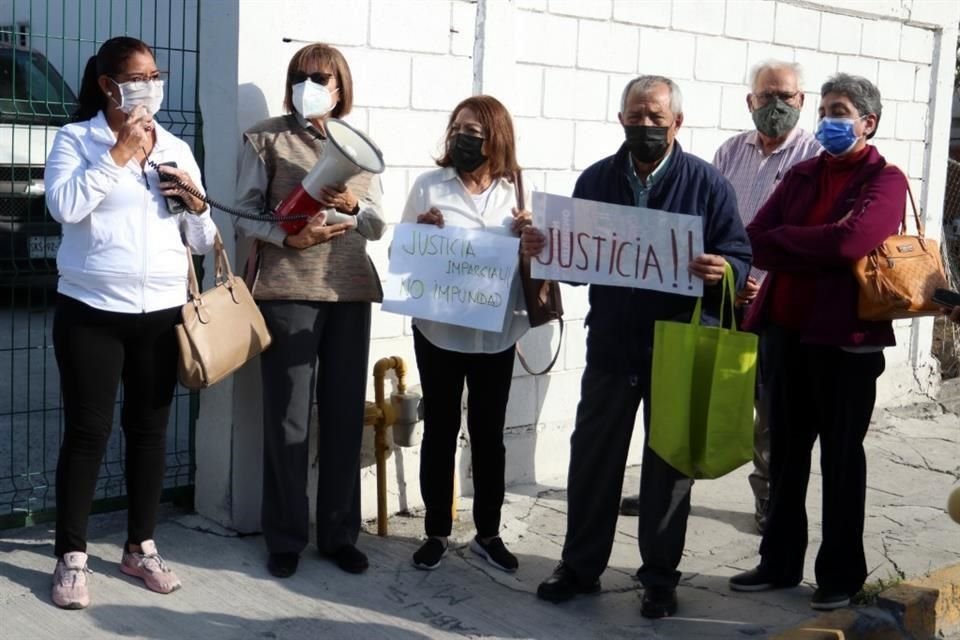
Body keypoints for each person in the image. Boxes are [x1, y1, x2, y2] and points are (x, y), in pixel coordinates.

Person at [525, 75, 752, 618]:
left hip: (677, 349)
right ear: (621, 119)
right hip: (611, 344)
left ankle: (659, 579)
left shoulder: (708, 184)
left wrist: (723, 268)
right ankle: (579, 568)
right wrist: (542, 247)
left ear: (677, 123)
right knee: (592, 461)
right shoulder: (596, 179)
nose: (645, 125)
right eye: (636, 116)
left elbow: (739, 256)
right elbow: (575, 264)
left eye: (655, 117)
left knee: (669, 466)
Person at [44, 36, 217, 609]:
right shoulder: (77, 139)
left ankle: (140, 547)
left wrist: (197, 206)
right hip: (91, 311)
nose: (150, 86)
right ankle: (71, 555)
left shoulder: (175, 147)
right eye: (138, 77)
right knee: (88, 432)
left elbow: (202, 240)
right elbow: (64, 207)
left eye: (155, 75)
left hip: (161, 312)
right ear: (108, 85)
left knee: (149, 431)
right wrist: (117, 155)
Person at [728, 74, 904, 611]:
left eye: (840, 111)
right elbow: (754, 236)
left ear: (868, 123)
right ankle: (779, 562)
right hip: (786, 333)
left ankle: (840, 575)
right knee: (785, 456)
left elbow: (854, 241)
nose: (828, 120)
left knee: (841, 458)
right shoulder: (803, 173)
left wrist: (790, 241)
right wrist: (814, 246)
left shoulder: (885, 180)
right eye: (824, 110)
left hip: (846, 342)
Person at [620, 61, 820, 528]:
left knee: (770, 412)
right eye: (766, 95)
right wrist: (726, 269)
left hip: (776, 301)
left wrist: (760, 278)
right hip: (724, 299)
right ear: (750, 101)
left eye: (785, 96)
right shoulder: (729, 153)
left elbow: (811, 236)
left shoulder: (813, 158)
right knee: (693, 400)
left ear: (801, 101)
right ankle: (666, 492)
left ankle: (769, 500)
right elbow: (707, 223)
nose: (776, 105)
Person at [235, 43, 385, 579]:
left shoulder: (361, 148)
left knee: (344, 417)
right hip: (287, 292)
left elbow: (378, 225)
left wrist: (355, 207)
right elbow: (244, 213)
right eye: (300, 75)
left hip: (348, 293)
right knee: (287, 419)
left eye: (321, 77)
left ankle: (339, 534)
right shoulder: (265, 137)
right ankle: (285, 538)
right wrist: (287, 237)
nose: (309, 85)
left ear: (341, 87)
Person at [402, 95, 531, 573]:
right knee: (439, 429)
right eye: (456, 129)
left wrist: (531, 238)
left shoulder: (519, 191)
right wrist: (422, 233)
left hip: (496, 334)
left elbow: (539, 260)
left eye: (473, 132)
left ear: (496, 136)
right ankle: (436, 531)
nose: (462, 138)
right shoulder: (429, 186)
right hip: (438, 330)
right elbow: (401, 252)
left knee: (489, 434)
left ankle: (488, 533)